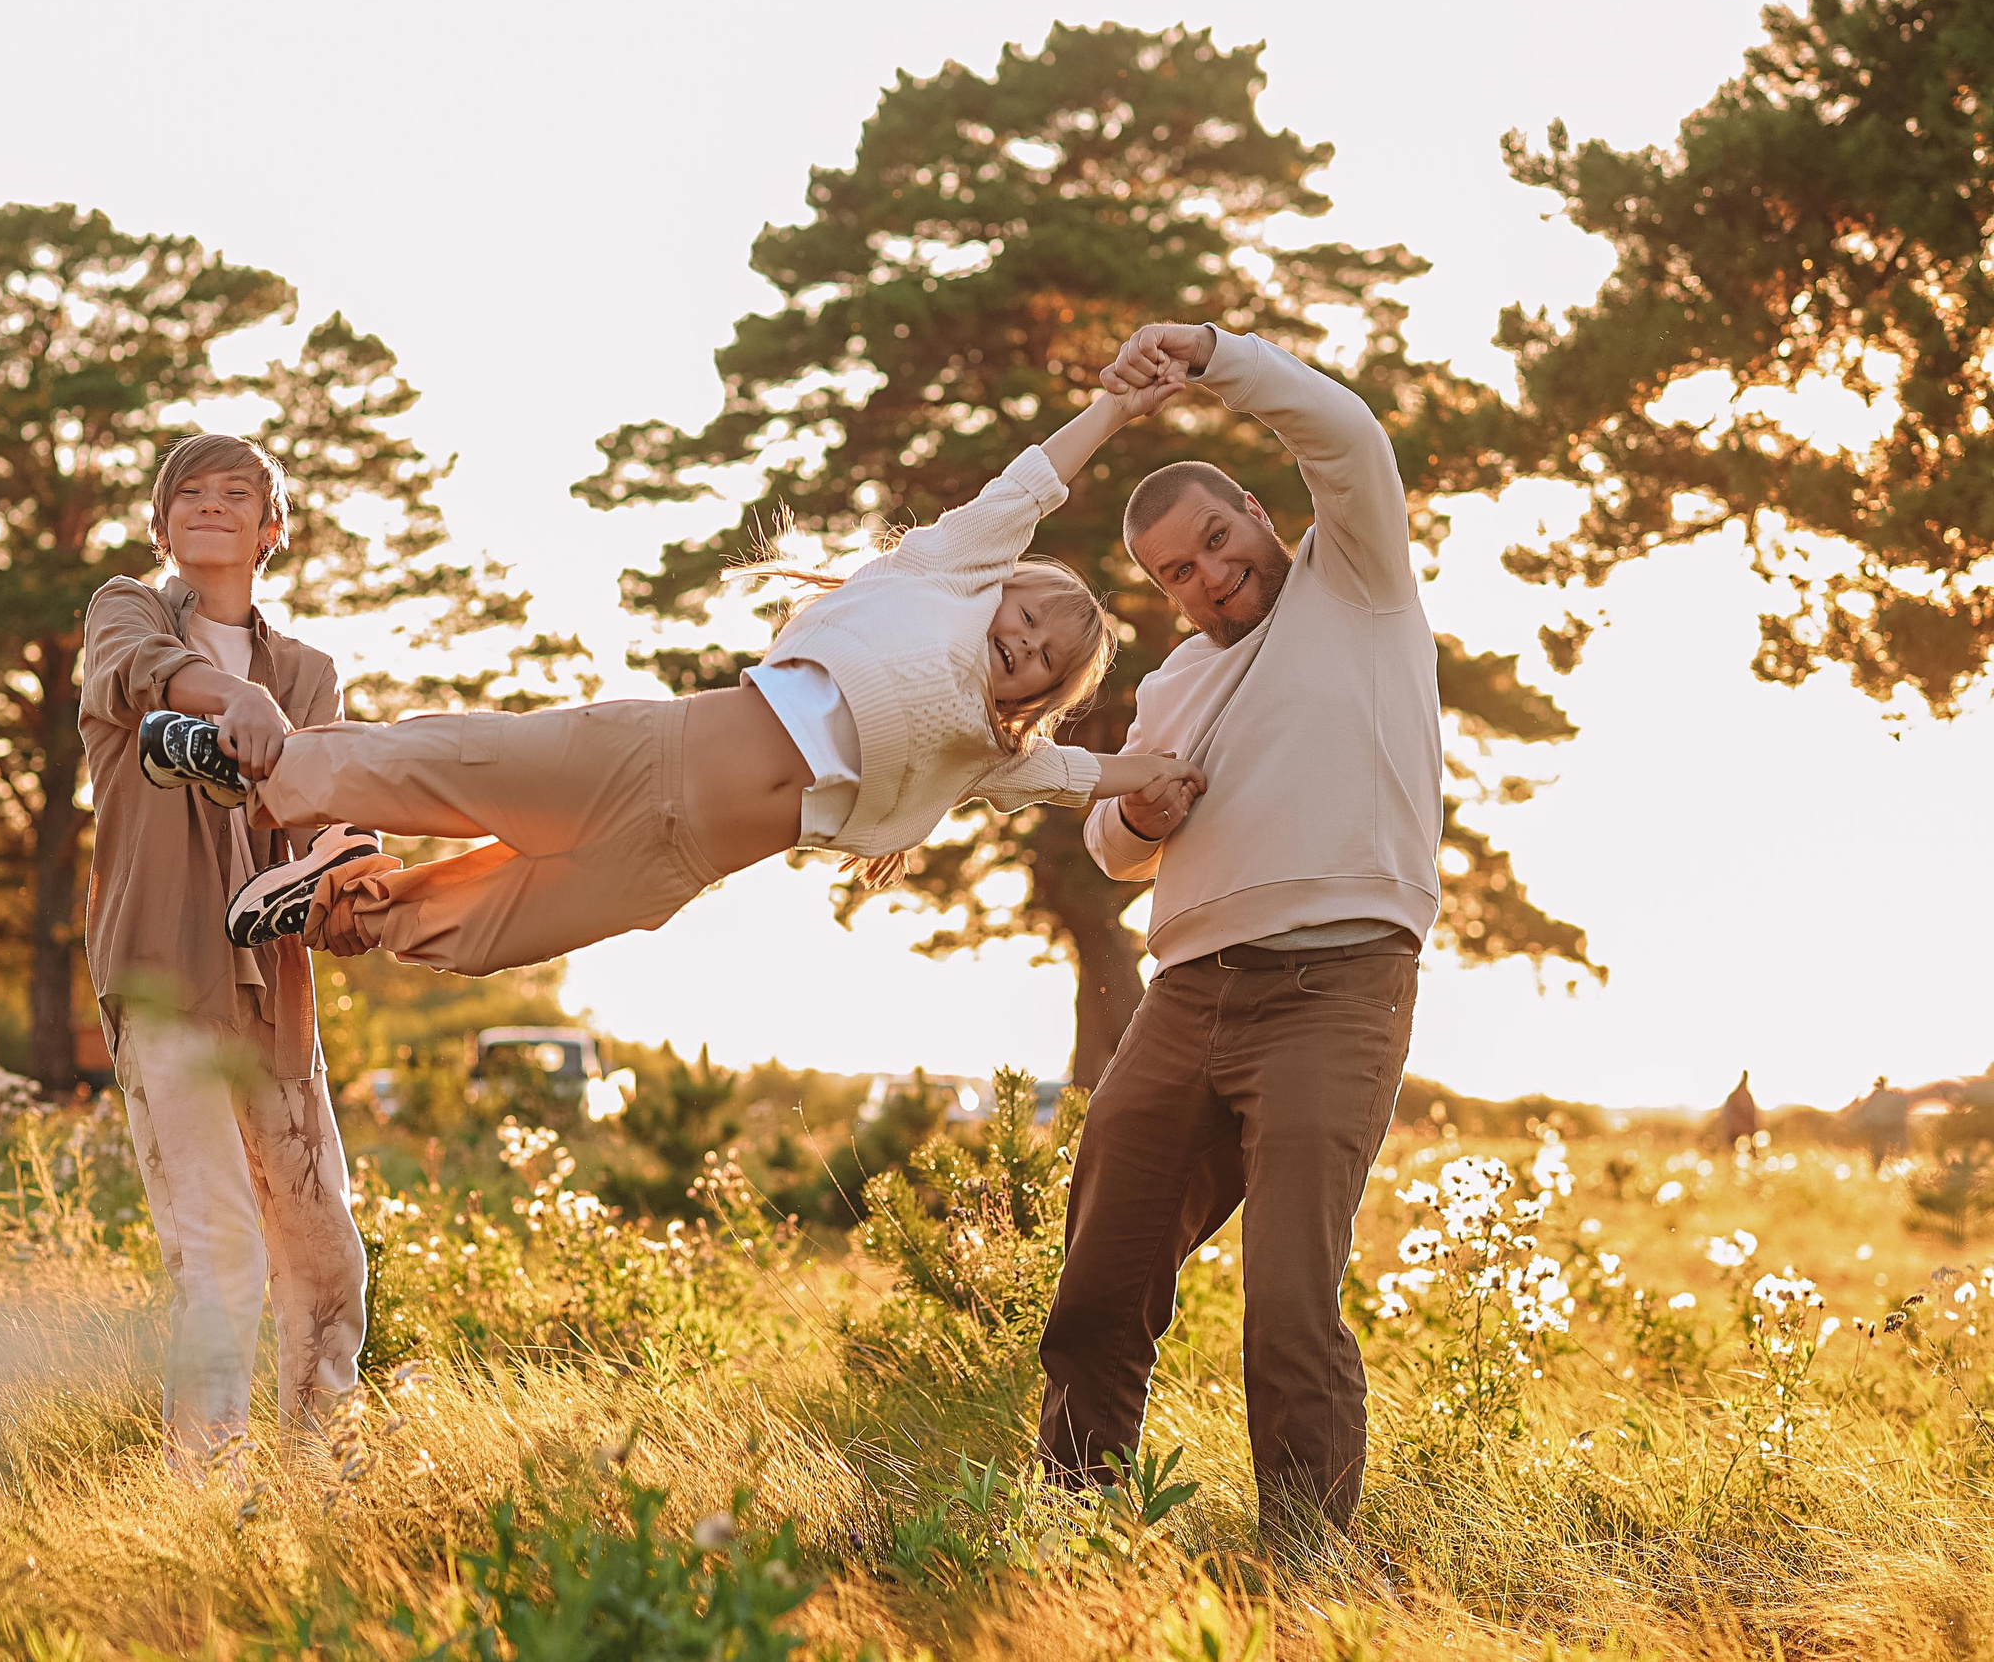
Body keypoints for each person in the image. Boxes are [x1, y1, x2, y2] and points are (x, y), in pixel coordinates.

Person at [135, 347, 1208, 978]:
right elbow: (1030, 486)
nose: (1021, 646)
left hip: (674, 864)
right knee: (448, 765)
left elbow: (1079, 774)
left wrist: (1153, 775)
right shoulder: (941, 576)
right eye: (1023, 620)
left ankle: (344, 898)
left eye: (1043, 662)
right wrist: (1118, 404)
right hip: (642, 755)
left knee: (483, 933)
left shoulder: (981, 757)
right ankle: (256, 764)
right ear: (995, 588)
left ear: (1044, 694)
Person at [1036, 319, 1441, 1549]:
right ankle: (1071, 1535)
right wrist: (1132, 808)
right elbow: (1113, 847)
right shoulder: (1168, 685)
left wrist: (1212, 355)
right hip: (1187, 997)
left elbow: (1348, 431)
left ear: (1259, 515)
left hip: (1337, 988)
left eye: (1215, 539)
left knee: (1287, 1303)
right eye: (1174, 571)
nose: (1207, 575)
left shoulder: (1351, 581)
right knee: (1100, 1285)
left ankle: (1305, 1565)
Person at [78, 432, 385, 1473]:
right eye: (188, 495)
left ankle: (316, 1472)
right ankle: (205, 1489)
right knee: (219, 1252)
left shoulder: (309, 672)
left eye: (237, 494)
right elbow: (137, 674)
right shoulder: (125, 609)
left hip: (272, 994)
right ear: (161, 528)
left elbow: (318, 820)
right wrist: (232, 703)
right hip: (165, 976)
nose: (210, 505)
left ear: (272, 530)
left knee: (323, 1256)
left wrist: (343, 869)